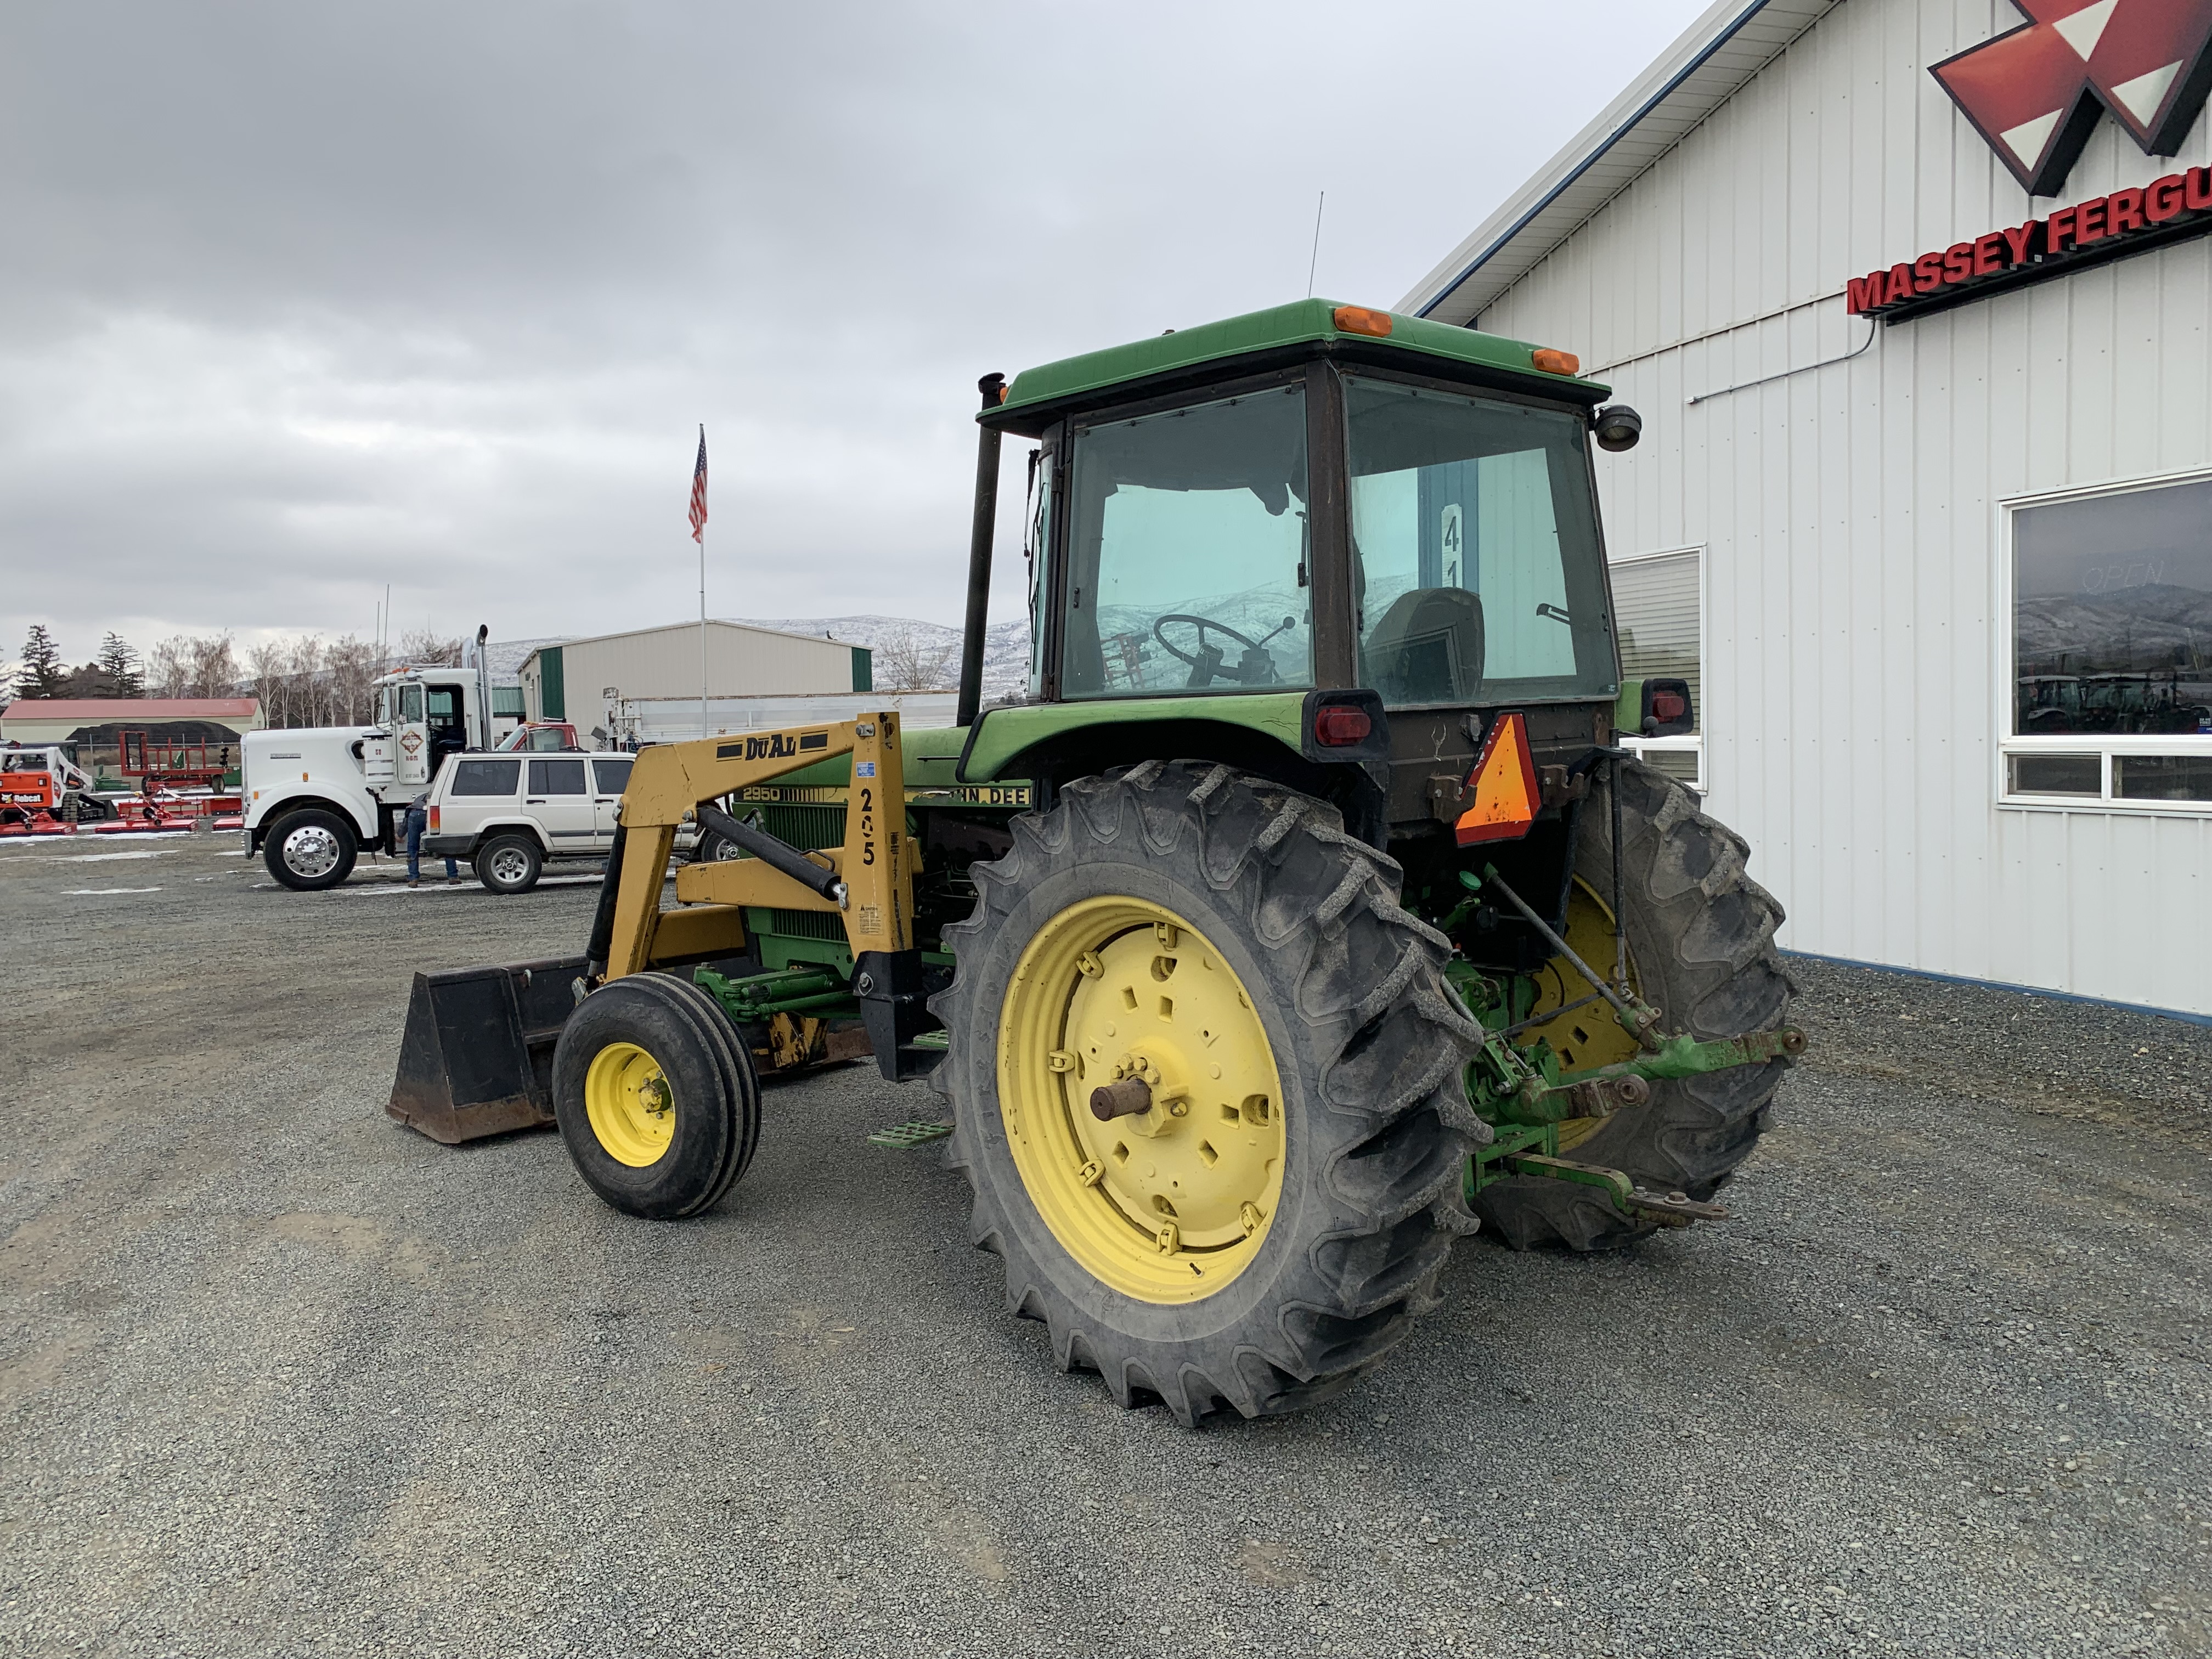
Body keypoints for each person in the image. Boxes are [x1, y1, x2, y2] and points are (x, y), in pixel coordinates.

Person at [403, 788, 460, 888]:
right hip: (434, 813)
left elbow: (407, 816)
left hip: (416, 816)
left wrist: (400, 834)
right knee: (447, 844)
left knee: (413, 847)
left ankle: (414, 879)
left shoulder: (420, 798)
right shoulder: (441, 795)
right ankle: (453, 877)